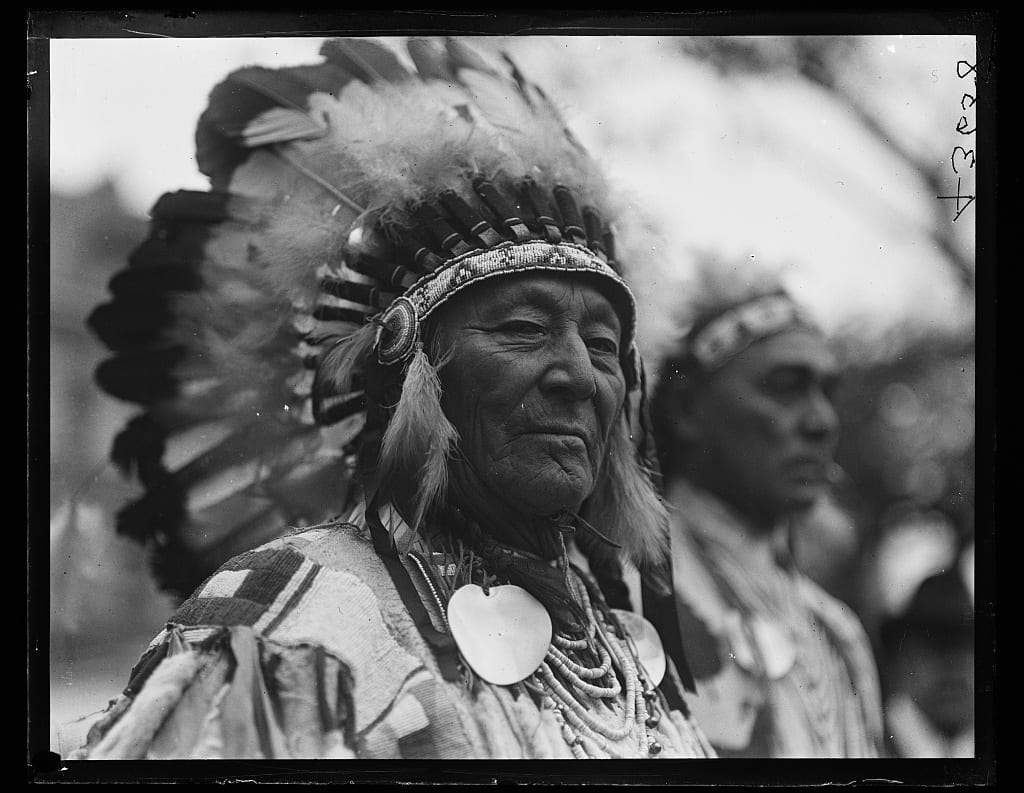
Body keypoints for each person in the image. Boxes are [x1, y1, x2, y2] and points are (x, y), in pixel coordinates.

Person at [70, 37, 714, 760]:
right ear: (410, 368)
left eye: (603, 347)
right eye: (524, 328)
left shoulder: (616, 638)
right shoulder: (296, 618)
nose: (578, 375)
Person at [644, 263, 883, 757]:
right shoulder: (633, 590)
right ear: (687, 409)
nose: (822, 422)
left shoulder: (839, 634)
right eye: (784, 387)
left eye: (826, 391)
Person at [879, 565, 974, 758]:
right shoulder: (866, 743)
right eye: (936, 645)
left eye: (966, 647)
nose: (954, 666)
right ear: (901, 660)